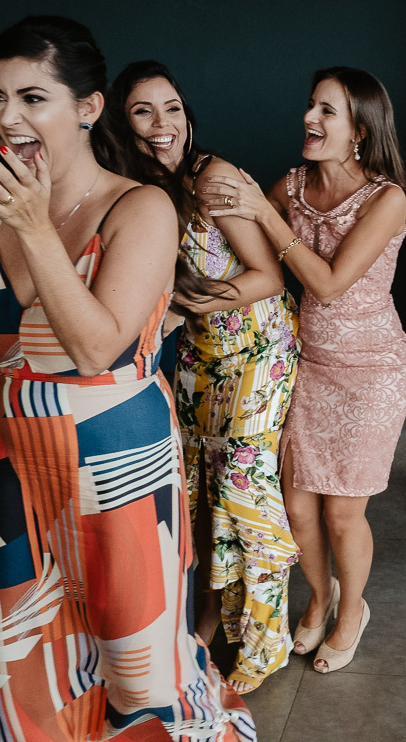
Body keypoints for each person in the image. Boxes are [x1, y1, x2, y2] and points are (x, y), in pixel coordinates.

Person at [0, 16, 251, 740]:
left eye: (32, 98)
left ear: (87, 109)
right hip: (12, 468)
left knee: (135, 660)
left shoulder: (140, 206)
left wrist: (33, 225)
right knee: (21, 658)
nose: (7, 117)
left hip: (119, 466)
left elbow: (94, 350)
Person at [198, 67, 406, 675]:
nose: (309, 119)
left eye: (326, 111)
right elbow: (250, 250)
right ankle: (320, 598)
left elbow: (329, 283)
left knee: (344, 512)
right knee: (296, 507)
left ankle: (353, 615)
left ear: (360, 132)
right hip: (309, 364)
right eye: (310, 106)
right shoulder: (291, 185)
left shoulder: (386, 198)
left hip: (373, 370)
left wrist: (266, 217)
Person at [112, 60, 300, 695]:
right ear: (121, 121)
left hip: (255, 352)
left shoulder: (212, 177)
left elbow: (269, 277)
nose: (162, 124)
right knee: (201, 493)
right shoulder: (137, 191)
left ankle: (263, 642)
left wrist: (188, 304)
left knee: (243, 490)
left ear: (187, 114)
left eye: (171, 108)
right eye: (144, 110)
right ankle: (204, 623)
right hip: (197, 359)